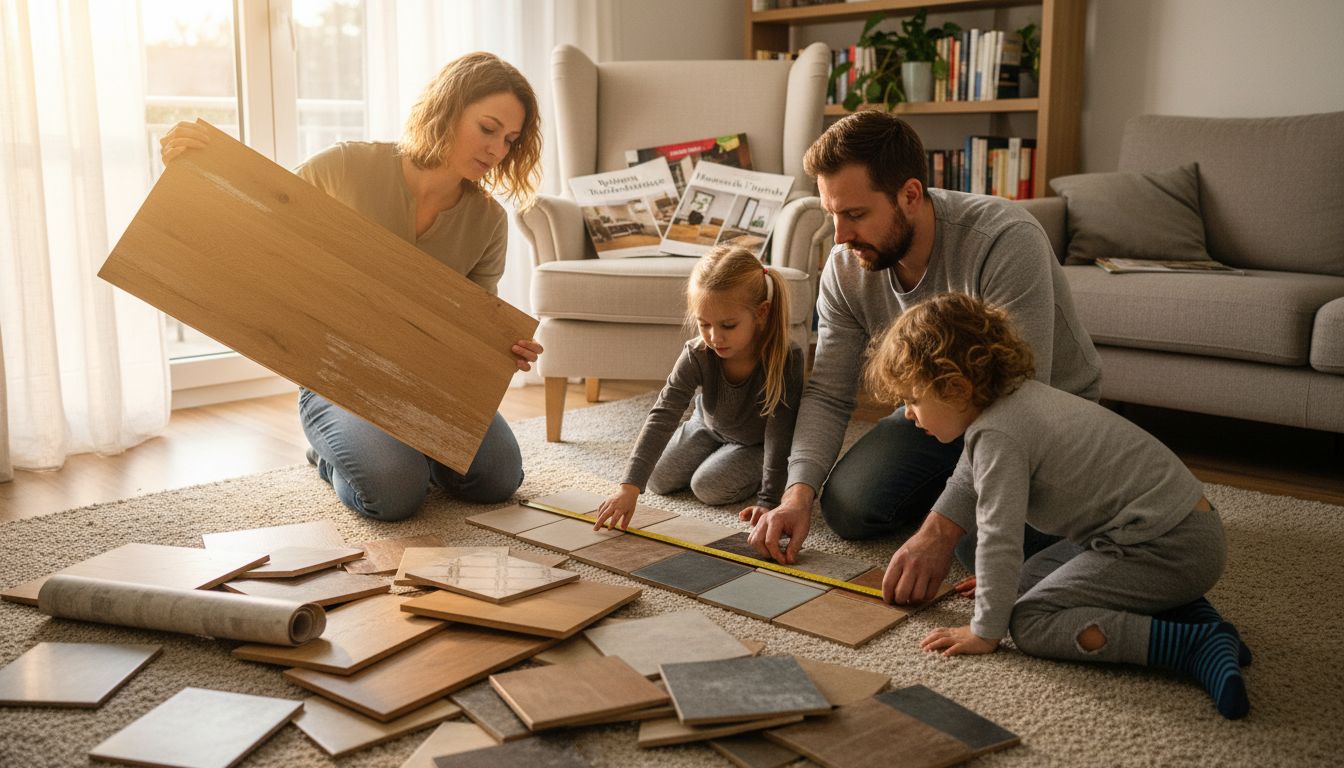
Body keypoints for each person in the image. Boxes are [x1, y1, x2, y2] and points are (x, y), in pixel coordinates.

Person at [159, 52, 544, 521]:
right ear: (448, 109)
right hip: (338, 377)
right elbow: (254, 213)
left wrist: (502, 350)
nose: (497, 150)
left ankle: (401, 449)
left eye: (509, 140)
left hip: (425, 384)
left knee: (498, 479)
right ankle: (332, 454)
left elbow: (474, 322)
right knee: (395, 494)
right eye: (487, 129)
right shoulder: (347, 166)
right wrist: (195, 166)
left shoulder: (488, 220)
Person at [743, 111, 1102, 602]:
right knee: (846, 508)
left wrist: (940, 529)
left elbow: (1018, 401)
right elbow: (828, 392)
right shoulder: (846, 266)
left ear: (910, 195)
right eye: (831, 214)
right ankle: (963, 489)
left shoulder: (1004, 240)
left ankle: (1082, 514)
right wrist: (796, 494)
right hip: (935, 413)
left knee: (973, 545)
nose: (839, 236)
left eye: (855, 214)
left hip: (1040, 418)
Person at [865, 292, 1250, 719]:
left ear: (956, 387)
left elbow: (999, 537)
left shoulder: (997, 436)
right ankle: (1188, 610)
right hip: (1172, 530)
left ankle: (1193, 645)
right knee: (1025, 580)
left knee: (1028, 622)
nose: (908, 413)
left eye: (912, 399)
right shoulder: (1016, 400)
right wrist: (998, 585)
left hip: (1169, 545)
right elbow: (996, 538)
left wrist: (985, 631)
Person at [593, 245, 804, 530]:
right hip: (705, 426)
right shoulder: (697, 353)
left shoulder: (785, 357)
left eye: (728, 325)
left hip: (755, 443)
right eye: (704, 324)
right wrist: (628, 486)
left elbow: (780, 433)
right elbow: (664, 412)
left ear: (761, 313)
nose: (715, 337)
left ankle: (741, 467)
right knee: (655, 479)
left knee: (707, 487)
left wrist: (769, 500)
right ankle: (710, 453)